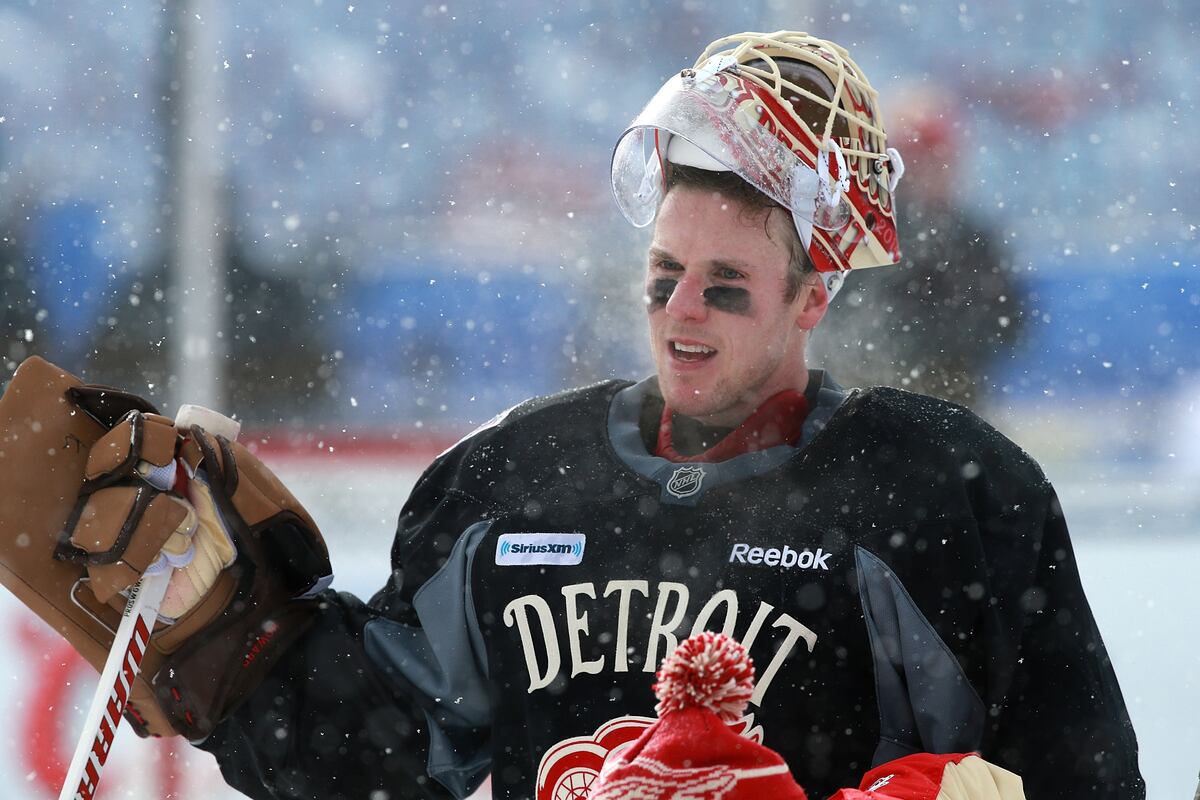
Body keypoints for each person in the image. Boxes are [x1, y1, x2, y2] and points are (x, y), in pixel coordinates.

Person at [3, 30, 1143, 800]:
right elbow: (386, 755)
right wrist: (232, 640)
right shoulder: (512, 478)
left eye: (727, 285)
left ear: (814, 298)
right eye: (664, 272)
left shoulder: (948, 497)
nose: (680, 312)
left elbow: (1079, 770)